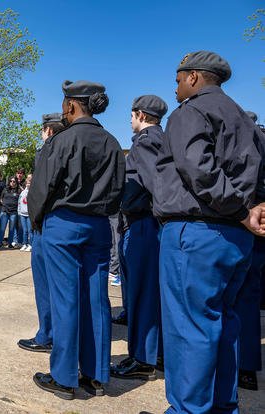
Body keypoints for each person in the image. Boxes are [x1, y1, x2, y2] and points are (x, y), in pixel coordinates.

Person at [153, 51, 265, 413]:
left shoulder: (192, 112)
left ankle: (186, 410)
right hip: (235, 238)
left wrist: (238, 208)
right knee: (223, 328)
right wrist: (250, 209)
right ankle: (220, 407)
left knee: (190, 331)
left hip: (197, 232)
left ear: (195, 78)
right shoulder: (244, 120)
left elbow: (198, 170)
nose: (175, 86)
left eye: (178, 78)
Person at [28, 80, 125, 400]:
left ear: (71, 105)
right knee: (97, 299)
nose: (61, 109)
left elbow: (42, 188)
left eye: (64, 104)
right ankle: (97, 374)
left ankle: (65, 376)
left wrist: (40, 219)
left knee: (66, 299)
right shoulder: (112, 142)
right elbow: (117, 191)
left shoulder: (62, 141)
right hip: (99, 225)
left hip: (64, 225)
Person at [110, 95, 168, 382]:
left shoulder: (146, 142)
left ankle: (143, 359)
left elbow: (156, 187)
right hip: (146, 223)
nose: (129, 120)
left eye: (131, 115)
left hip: (144, 224)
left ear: (141, 115)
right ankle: (154, 353)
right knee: (148, 293)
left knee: (142, 293)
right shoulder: (157, 139)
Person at [17, 112, 67, 355]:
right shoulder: (76, 146)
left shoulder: (48, 150)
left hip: (46, 224)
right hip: (71, 224)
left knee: (45, 284)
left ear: (48, 131)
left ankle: (47, 333)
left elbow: (39, 190)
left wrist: (35, 219)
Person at [236, 111, 265, 391]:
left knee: (241, 297)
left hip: (246, 222)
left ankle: (242, 365)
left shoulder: (248, 138)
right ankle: (246, 366)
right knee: (248, 298)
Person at [0, 176, 21, 248]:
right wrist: (5, 204)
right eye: (11, 181)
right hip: (4, 211)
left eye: (14, 181)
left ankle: (10, 243)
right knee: (2, 228)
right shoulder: (5, 189)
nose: (12, 183)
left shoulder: (18, 190)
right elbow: (1, 199)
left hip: (13, 212)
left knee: (11, 228)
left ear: (16, 182)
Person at [18, 174, 33, 252]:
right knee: (25, 230)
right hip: (22, 214)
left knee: (30, 230)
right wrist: (19, 211)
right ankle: (25, 244)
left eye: (30, 183)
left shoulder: (33, 192)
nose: (28, 184)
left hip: (29, 214)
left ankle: (31, 244)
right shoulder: (23, 192)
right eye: (27, 183)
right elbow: (19, 202)